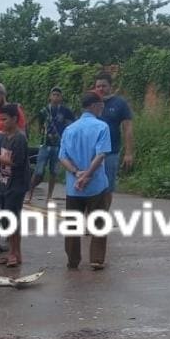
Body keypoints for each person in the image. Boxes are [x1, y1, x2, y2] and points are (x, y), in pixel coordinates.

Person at [58, 93, 112, 270]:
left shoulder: (69, 129)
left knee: (72, 224)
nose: (102, 109)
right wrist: (88, 174)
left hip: (74, 187)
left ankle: (73, 260)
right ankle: (96, 259)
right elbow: (101, 154)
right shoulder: (102, 127)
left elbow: (62, 157)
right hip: (96, 185)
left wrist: (77, 173)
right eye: (101, 106)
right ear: (94, 105)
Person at [0, 104, 30, 267]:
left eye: (4, 119)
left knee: (12, 218)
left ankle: (15, 253)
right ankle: (11, 252)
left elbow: (15, 161)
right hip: (3, 181)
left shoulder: (19, 138)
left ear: (14, 119)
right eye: (0, 120)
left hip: (16, 184)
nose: (1, 123)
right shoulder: (3, 137)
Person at [92, 72, 134, 205]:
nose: (101, 89)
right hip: (90, 153)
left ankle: (103, 215)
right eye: (98, 86)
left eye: (104, 86)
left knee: (107, 189)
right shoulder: (91, 103)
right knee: (89, 187)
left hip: (111, 153)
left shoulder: (120, 103)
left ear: (111, 86)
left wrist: (128, 153)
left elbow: (127, 128)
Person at [29, 87, 76, 202]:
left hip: (58, 145)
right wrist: (42, 133)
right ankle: (30, 194)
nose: (55, 97)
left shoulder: (65, 111)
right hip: (45, 144)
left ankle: (49, 196)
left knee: (54, 172)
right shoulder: (44, 111)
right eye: (53, 95)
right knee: (38, 171)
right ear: (50, 97)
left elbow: (72, 124)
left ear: (61, 98)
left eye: (58, 95)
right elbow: (39, 125)